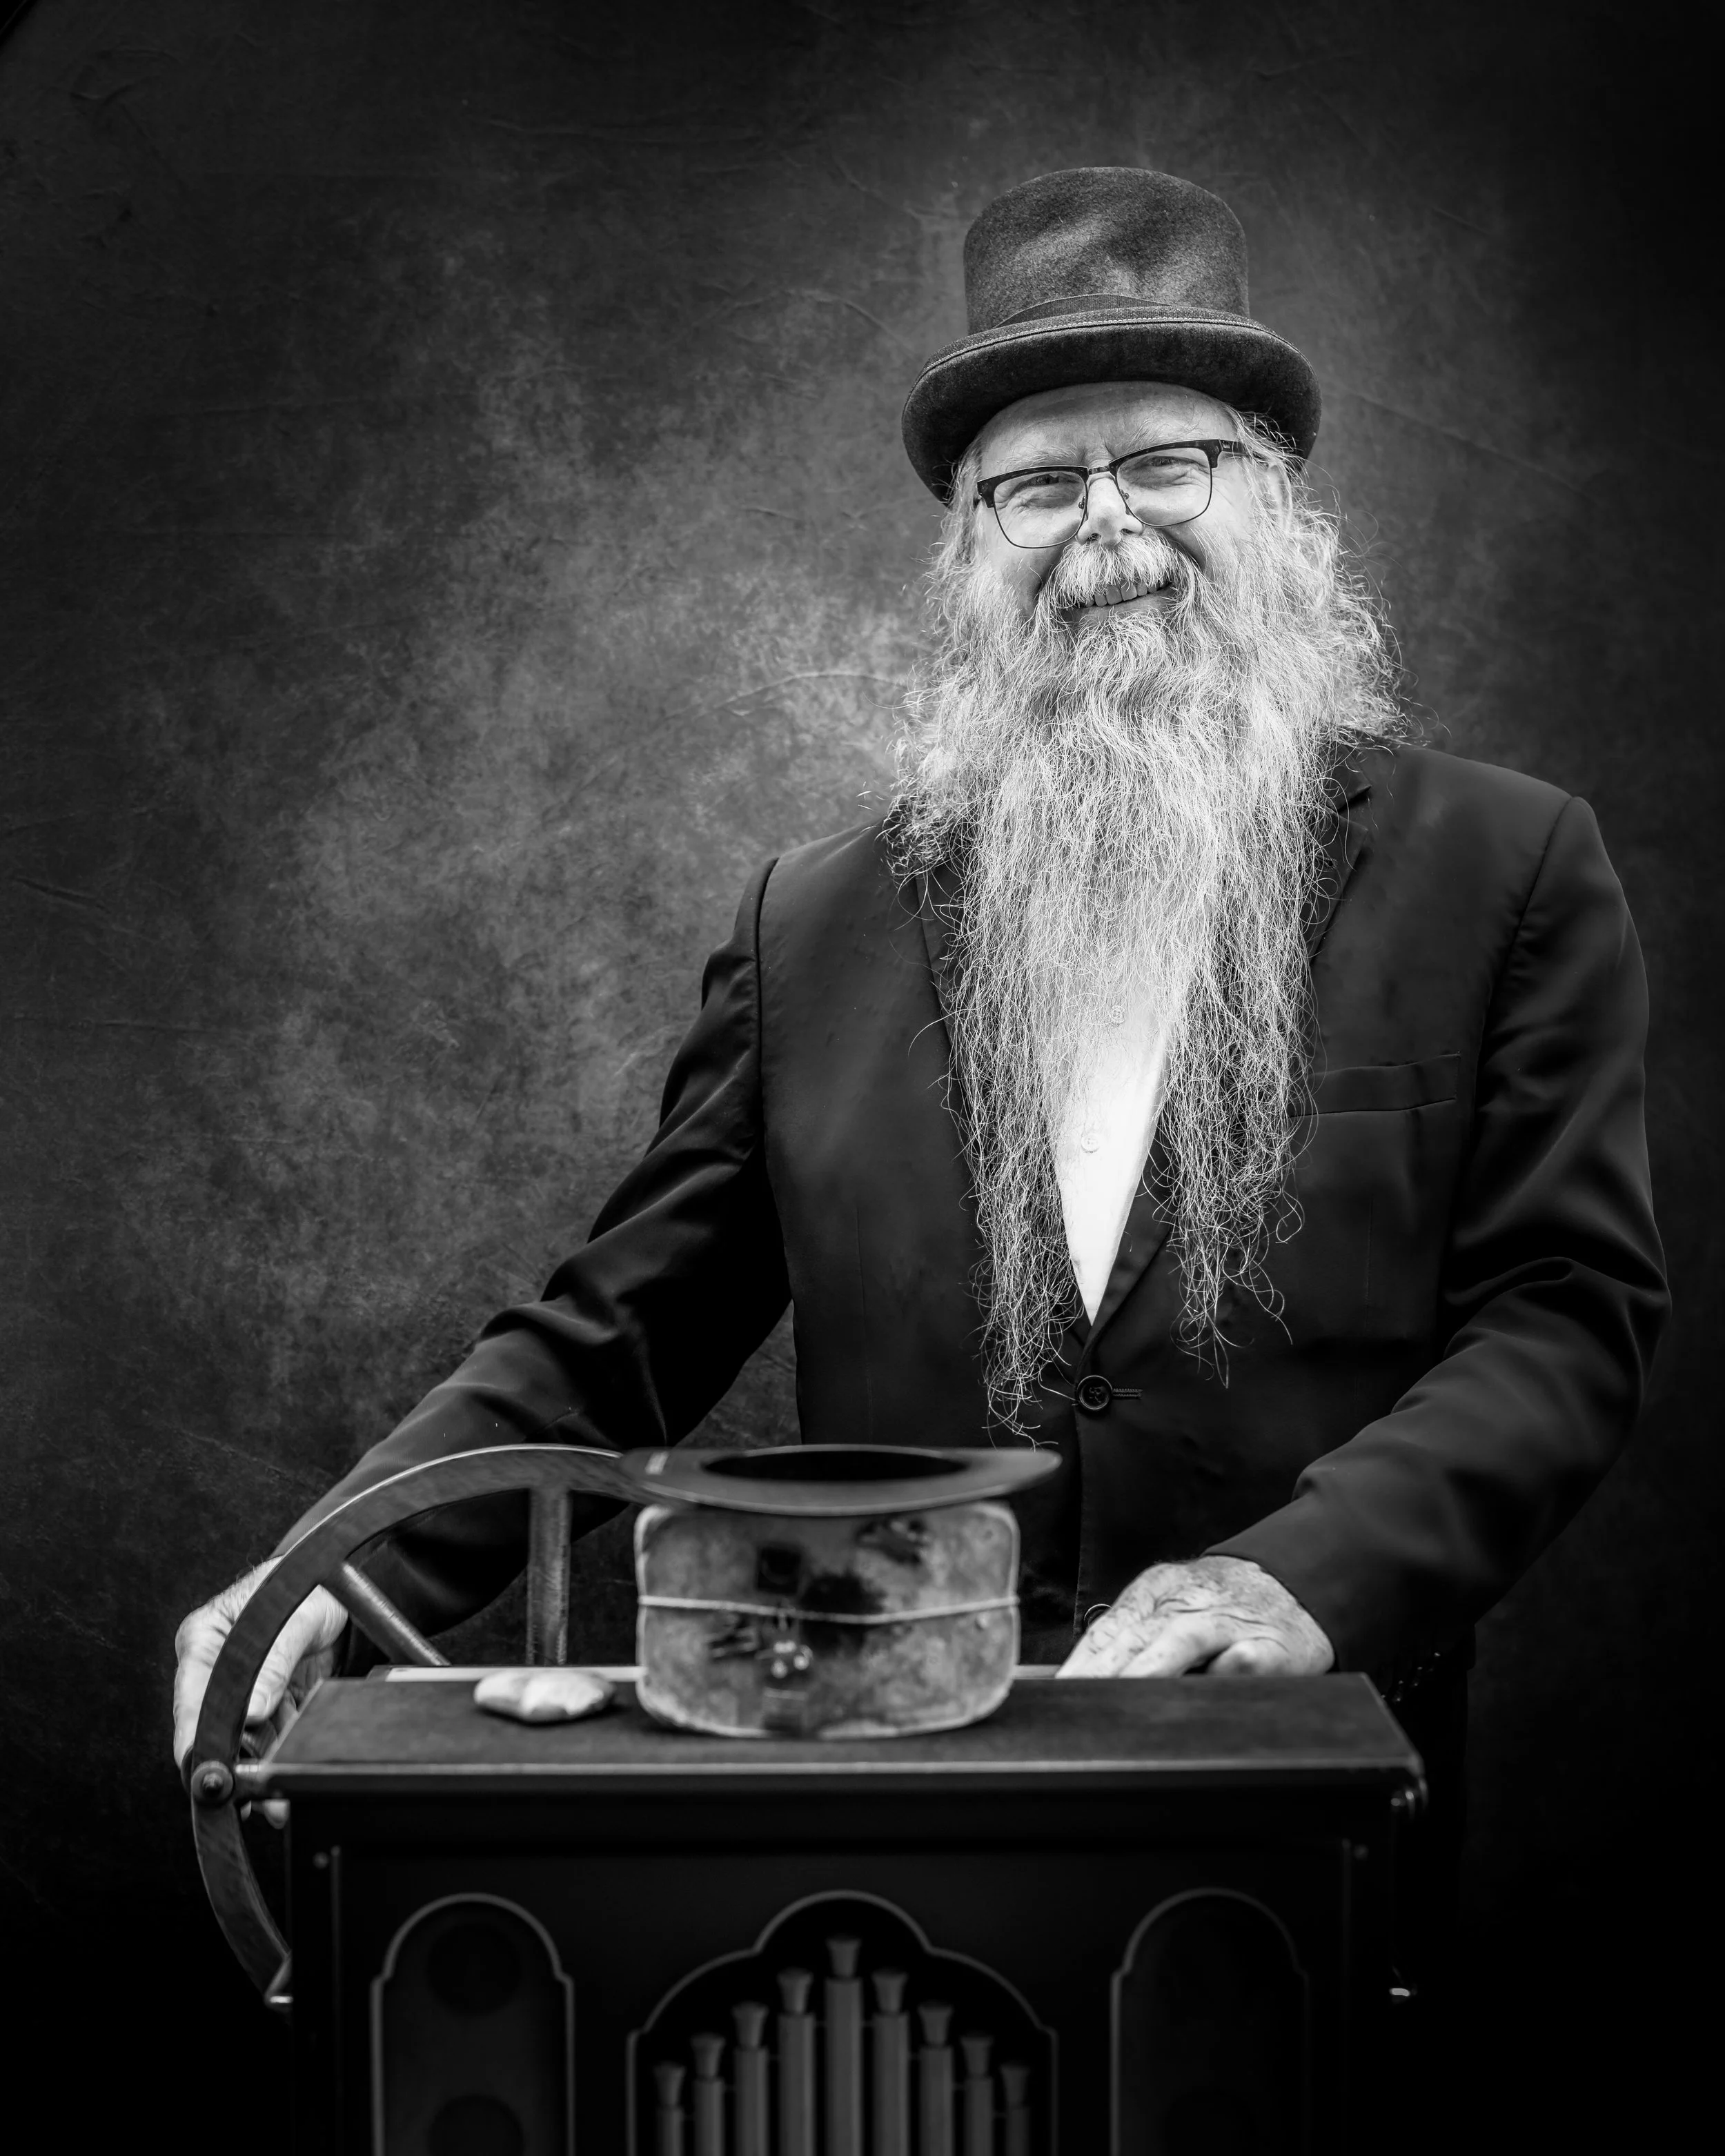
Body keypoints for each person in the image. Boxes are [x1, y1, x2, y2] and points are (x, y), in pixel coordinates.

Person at [172, 170, 1666, 1972]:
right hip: (882, 1831)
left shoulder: (1501, 869)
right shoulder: (817, 925)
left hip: (1296, 1813)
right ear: (969, 540)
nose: (1106, 529)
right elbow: (607, 1332)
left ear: (1273, 503)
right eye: (1038, 483)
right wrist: (331, 1568)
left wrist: (1298, 1579)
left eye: (1164, 465)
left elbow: (1560, 1316)